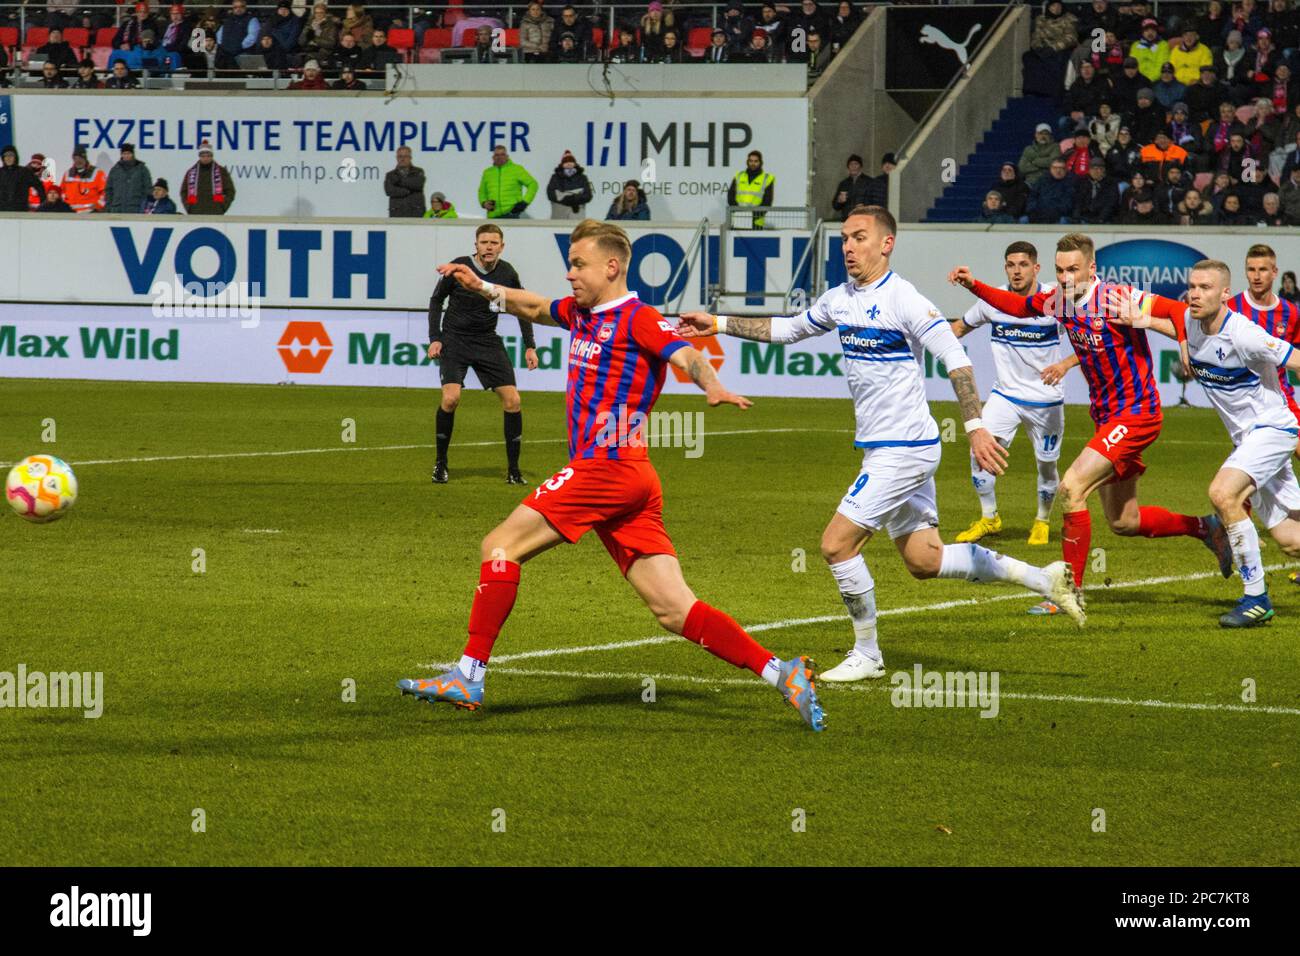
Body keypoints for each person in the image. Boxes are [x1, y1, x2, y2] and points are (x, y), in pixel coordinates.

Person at [400, 219, 831, 730]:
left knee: (499, 547)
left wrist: (712, 385)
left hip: (606, 467)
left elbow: (687, 354)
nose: (570, 274)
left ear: (611, 266)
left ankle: (469, 674)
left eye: (579, 264)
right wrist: (483, 287)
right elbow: (535, 306)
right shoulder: (582, 314)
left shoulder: (638, 318)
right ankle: (782, 673)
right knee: (673, 609)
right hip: (631, 479)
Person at [676, 207, 1082, 684]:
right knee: (924, 560)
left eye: (859, 237)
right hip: (885, 447)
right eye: (845, 238)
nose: (848, 246)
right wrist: (718, 323)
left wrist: (975, 425)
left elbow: (955, 355)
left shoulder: (903, 298)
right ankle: (1044, 578)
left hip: (905, 449)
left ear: (886, 243)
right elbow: (789, 330)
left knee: (835, 545)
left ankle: (867, 653)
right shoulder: (840, 298)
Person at [949, 233, 1233, 601]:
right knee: (1123, 521)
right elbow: (1016, 306)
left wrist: (1183, 347)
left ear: (1092, 268)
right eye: (1060, 270)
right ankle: (1205, 528)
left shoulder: (1117, 297)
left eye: (1074, 270)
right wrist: (974, 285)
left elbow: (1178, 312)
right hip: (1107, 417)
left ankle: (1068, 592)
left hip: (1136, 412)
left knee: (1071, 487)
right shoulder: (1060, 303)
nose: (1065, 278)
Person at [1111, 260, 1300, 625]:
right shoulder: (1189, 323)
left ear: (1226, 293)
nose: (1196, 294)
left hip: (1273, 430)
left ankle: (1256, 599)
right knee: (1290, 539)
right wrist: (1144, 321)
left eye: (1206, 288)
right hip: (1247, 440)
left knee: (1223, 494)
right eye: (1192, 287)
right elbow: (1174, 323)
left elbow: (1295, 359)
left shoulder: (1244, 333)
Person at [949, 242, 1071, 614]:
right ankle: (990, 518)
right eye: (1010, 265)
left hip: (1046, 399)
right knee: (978, 452)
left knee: (1046, 466)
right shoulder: (992, 302)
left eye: (1023, 265)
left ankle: (1041, 520)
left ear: (1037, 269)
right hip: (1004, 396)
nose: (1016, 271)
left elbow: (1090, 337)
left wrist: (1065, 365)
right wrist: (922, 342)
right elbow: (958, 328)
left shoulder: (1055, 301)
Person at [426, 224, 534, 485]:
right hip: (455, 340)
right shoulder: (460, 266)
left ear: (502, 246)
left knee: (513, 401)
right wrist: (435, 338)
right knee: (451, 399)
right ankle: (440, 465)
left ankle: (514, 471)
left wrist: (529, 345)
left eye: (493, 242)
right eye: (483, 242)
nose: (488, 246)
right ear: (476, 246)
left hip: (487, 341)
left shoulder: (507, 273)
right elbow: (436, 300)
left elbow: (520, 307)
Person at [1228, 244, 1300, 455]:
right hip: (1245, 403)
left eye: (1263, 269)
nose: (1256, 276)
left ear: (1274, 272)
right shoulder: (1231, 309)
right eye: (1251, 270)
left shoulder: (1290, 313)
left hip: (1280, 398)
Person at [478, 145, 538, 219]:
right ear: (493, 157)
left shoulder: (517, 169)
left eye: (502, 154)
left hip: (512, 214)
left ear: (507, 156)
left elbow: (533, 184)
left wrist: (524, 202)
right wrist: (484, 203)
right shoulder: (487, 172)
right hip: (493, 215)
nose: (499, 157)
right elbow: (482, 192)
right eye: (497, 155)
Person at [182, 140, 236, 214]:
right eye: (203, 156)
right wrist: (189, 207)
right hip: (195, 212)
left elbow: (230, 191)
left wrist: (222, 206)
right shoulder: (191, 172)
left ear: (212, 156)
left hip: (215, 212)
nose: (205, 158)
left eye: (208, 156)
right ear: (199, 157)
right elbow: (184, 191)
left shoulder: (221, 171)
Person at [728, 150, 773, 228]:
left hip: (757, 221)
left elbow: (767, 201)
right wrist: (738, 211)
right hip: (739, 219)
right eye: (751, 161)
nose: (753, 163)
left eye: (756, 161)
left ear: (760, 162)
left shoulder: (767, 178)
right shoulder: (739, 176)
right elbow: (730, 196)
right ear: (747, 162)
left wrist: (755, 214)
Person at [104, 143, 153, 214]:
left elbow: (148, 189)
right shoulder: (115, 170)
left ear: (133, 154)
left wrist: (143, 206)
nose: (126, 156)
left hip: (136, 209)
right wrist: (109, 207)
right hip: (117, 209)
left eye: (129, 153)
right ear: (121, 155)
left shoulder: (142, 169)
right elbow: (109, 189)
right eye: (124, 153)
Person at [59, 146, 107, 213]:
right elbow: (61, 192)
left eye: (80, 158)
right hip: (70, 214)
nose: (78, 161)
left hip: (90, 214)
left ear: (85, 158)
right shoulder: (67, 174)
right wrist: (64, 206)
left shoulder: (98, 173)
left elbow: (105, 192)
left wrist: (98, 206)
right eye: (75, 158)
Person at [1025, 159, 1075, 223]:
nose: (1058, 170)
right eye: (1055, 168)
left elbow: (1068, 204)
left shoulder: (1070, 183)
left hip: (1059, 215)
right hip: (1038, 214)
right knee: (1024, 220)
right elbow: (1032, 198)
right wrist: (1033, 210)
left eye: (1061, 168)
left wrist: (1050, 212)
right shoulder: (1042, 181)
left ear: (1065, 170)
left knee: (1063, 221)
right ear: (1050, 169)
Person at [546, 150, 593, 220]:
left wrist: (575, 199)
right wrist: (565, 199)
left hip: (577, 213)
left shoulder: (582, 177)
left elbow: (588, 195)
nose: (568, 163)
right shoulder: (555, 177)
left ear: (574, 163)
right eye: (566, 161)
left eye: (571, 161)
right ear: (562, 164)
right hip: (559, 214)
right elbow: (550, 194)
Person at [216, 0, 261, 70]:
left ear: (245, 8)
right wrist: (223, 46)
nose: (238, 9)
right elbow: (219, 35)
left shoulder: (252, 19)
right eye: (235, 7)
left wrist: (238, 46)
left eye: (241, 7)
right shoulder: (228, 20)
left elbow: (252, 37)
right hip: (226, 55)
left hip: (243, 54)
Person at [382, 146, 425, 217]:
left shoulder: (418, 171)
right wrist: (408, 191)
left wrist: (398, 181)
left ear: (410, 158)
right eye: (400, 156)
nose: (402, 159)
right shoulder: (390, 175)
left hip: (416, 212)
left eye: (405, 156)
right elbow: (389, 191)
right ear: (396, 158)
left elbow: (418, 184)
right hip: (397, 213)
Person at [0, 145, 43, 213]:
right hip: (2, 212)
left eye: (11, 155)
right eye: (6, 155)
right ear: (3, 158)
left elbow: (39, 186)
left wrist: (43, 205)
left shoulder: (24, 172)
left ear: (15, 157)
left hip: (20, 212)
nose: (8, 158)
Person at [831, 154, 873, 220]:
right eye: (851, 164)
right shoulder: (843, 183)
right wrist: (839, 201)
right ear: (848, 167)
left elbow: (876, 203)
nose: (853, 167)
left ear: (861, 166)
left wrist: (865, 206)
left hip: (863, 220)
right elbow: (835, 206)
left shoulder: (869, 182)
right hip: (847, 220)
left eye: (856, 164)